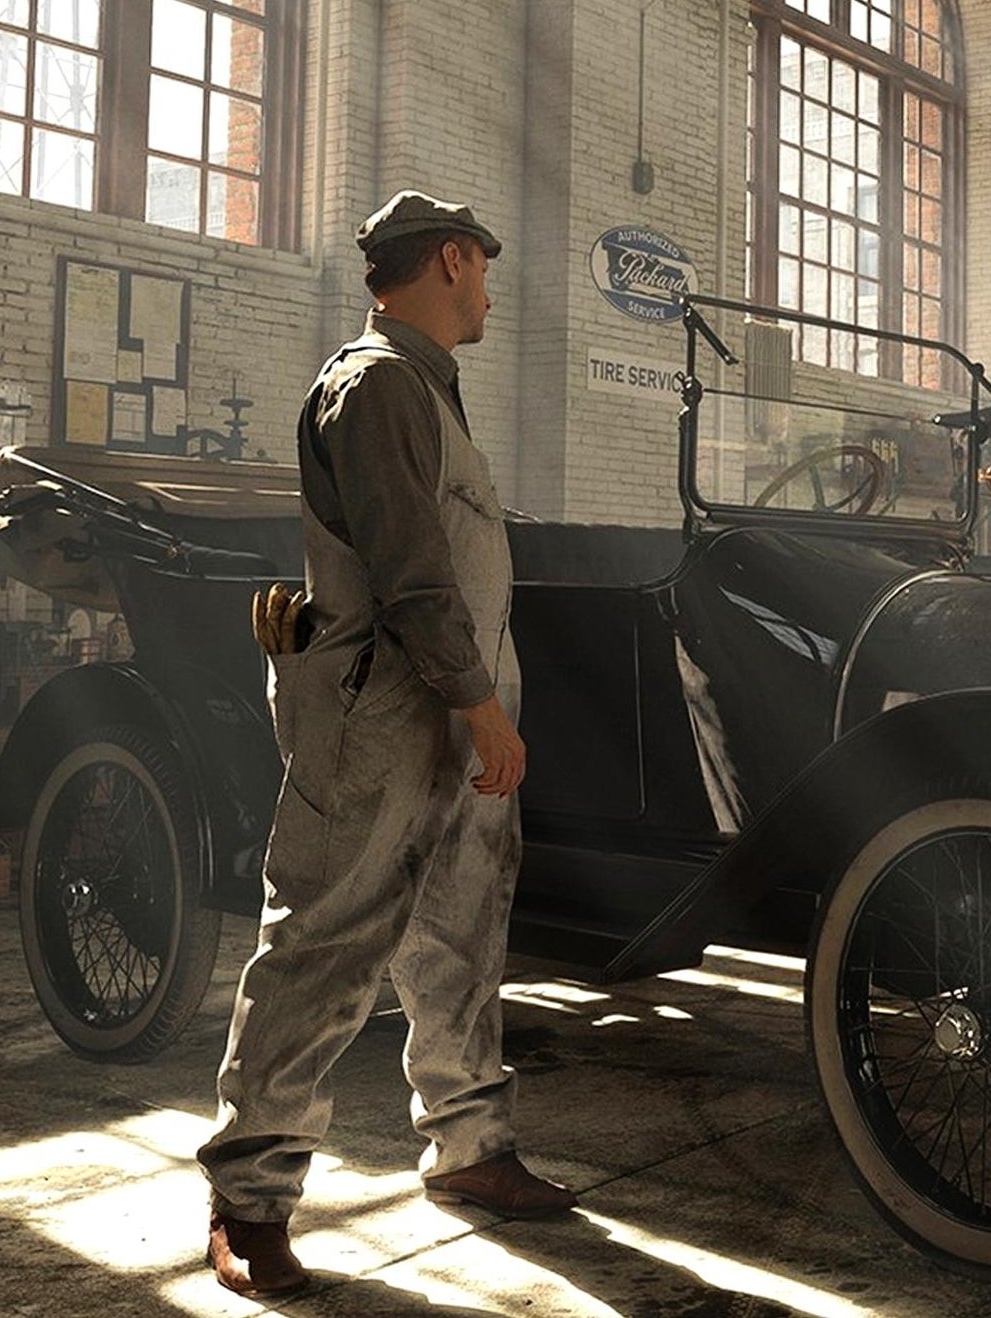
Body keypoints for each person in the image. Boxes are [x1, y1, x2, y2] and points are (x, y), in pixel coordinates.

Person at [198, 189, 575, 1301]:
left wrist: (477, 705)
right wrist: (481, 705)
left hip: (446, 712)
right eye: (483, 269)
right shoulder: (375, 386)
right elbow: (412, 572)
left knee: (459, 936)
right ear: (451, 259)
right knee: (323, 943)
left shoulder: (425, 387)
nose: (490, 292)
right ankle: (248, 1202)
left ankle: (469, 1149)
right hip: (385, 716)